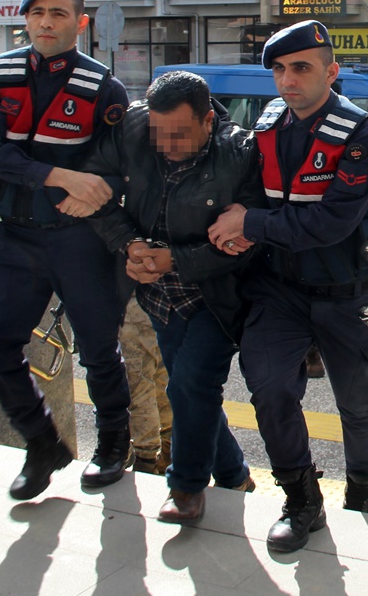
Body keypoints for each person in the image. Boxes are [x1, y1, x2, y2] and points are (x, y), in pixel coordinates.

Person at [205, 20, 368, 553]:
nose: (288, 80)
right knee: (268, 390)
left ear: (331, 72)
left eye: (302, 68)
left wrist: (250, 224)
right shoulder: (266, 126)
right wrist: (238, 225)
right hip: (279, 289)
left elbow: (328, 224)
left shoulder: (365, 138)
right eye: (280, 70)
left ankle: (361, 492)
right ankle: (301, 498)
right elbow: (247, 197)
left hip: (346, 292)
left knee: (358, 403)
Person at [0, 0, 132, 501]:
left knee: (100, 351)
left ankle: (112, 447)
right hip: (17, 237)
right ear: (26, 19)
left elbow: (123, 165)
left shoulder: (104, 87)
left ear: (80, 24)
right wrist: (60, 176)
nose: (46, 22)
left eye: (59, 14)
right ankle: (43, 442)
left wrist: (99, 187)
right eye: (38, 12)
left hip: (80, 239)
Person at [87, 70, 257, 523]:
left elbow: (246, 245)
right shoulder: (134, 127)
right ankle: (236, 474)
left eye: (180, 134)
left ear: (207, 121)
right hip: (155, 294)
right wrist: (130, 245)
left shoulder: (240, 152)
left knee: (191, 385)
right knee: (187, 391)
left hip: (215, 296)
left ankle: (185, 487)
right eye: (160, 135)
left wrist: (173, 259)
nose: (168, 145)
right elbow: (98, 196)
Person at [119, 297, 173, 474]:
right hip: (157, 300)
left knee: (138, 384)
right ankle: (169, 448)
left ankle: (147, 459)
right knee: (161, 379)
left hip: (131, 300)